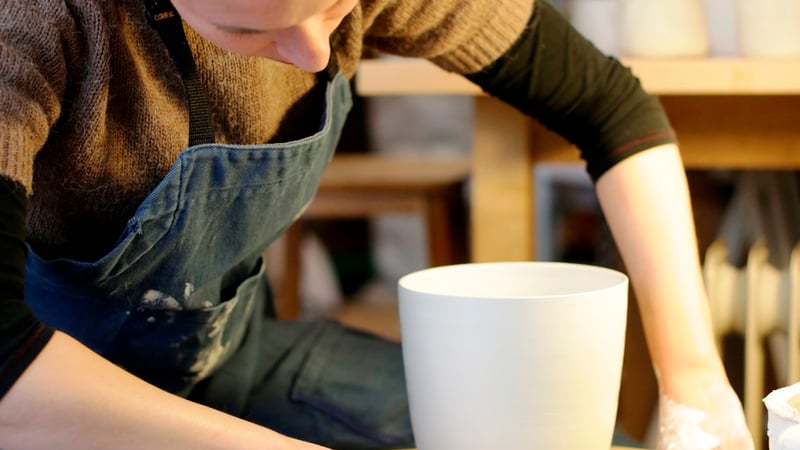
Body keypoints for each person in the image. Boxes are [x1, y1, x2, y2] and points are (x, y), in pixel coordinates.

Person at [0, 0, 755, 448]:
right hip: (44, 407)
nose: (313, 51)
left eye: (334, 4)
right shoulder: (29, 26)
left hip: (234, 358)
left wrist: (693, 381)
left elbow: (612, 110)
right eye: (251, 27)